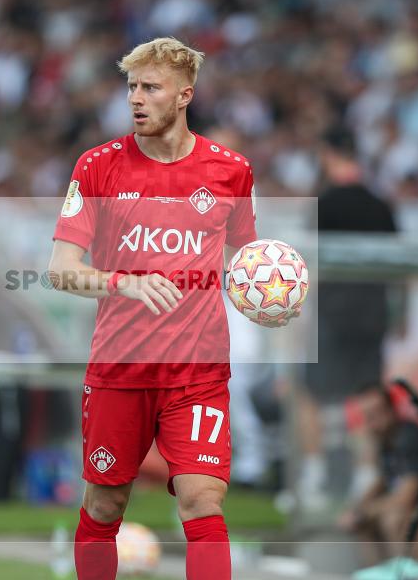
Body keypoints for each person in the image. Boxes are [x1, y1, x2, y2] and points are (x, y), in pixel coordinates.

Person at [48, 37, 290, 580]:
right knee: (106, 505)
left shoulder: (230, 170)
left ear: (184, 95)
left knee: (202, 501)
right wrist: (121, 283)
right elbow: (60, 268)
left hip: (197, 372)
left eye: (150, 88)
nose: (136, 98)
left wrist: (270, 299)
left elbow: (247, 261)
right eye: (131, 87)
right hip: (120, 369)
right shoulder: (97, 168)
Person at [295, 126, 396, 510]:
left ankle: (315, 475)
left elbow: (311, 269)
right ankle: (367, 473)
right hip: (372, 315)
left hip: (332, 315)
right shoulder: (381, 204)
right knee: (368, 392)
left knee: (310, 394)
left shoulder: (325, 202)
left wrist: (300, 318)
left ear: (328, 154)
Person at [339, 385, 418, 571]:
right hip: (412, 508)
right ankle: (379, 573)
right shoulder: (385, 439)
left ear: (391, 409)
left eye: (376, 413)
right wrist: (357, 509)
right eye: (366, 416)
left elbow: (406, 497)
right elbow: (382, 481)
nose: (371, 421)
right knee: (364, 524)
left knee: (392, 518)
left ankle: (406, 573)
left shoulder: (408, 437)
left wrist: (363, 513)